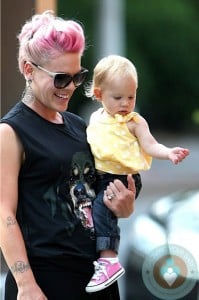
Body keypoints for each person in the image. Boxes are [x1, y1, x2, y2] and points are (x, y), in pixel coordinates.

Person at [0, 12, 137, 300]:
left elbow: (99, 193)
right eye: (61, 78)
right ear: (28, 69)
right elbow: (3, 214)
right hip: (45, 280)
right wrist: (26, 285)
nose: (71, 87)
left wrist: (123, 205)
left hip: (97, 277)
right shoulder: (10, 132)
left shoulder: (79, 126)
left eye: (78, 76)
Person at [85, 55, 190, 293]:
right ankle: (102, 256)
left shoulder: (134, 122)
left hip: (123, 177)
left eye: (131, 97)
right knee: (94, 211)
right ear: (100, 95)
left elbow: (150, 145)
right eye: (118, 97)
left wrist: (168, 153)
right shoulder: (96, 119)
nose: (125, 103)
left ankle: (109, 259)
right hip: (101, 175)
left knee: (103, 209)